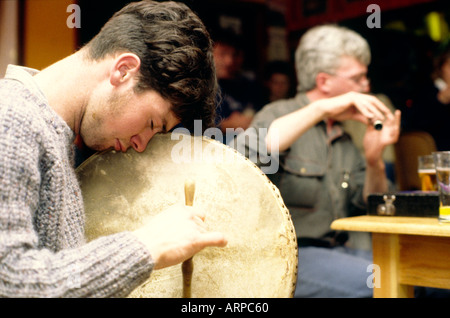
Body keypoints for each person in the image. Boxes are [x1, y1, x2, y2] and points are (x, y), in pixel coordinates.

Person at [0, 1, 227, 297]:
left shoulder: (54, 135)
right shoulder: (11, 119)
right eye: (152, 123)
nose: (141, 143)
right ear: (124, 70)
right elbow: (8, 279)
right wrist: (146, 247)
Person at [232, 24, 401, 297]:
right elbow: (241, 162)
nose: (366, 87)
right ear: (324, 82)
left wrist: (374, 160)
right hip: (292, 257)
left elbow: (378, 209)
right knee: (386, 283)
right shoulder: (278, 113)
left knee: (425, 276)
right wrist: (321, 108)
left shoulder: (343, 136)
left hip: (350, 250)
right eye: (358, 79)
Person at [212, 28, 263, 135]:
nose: (229, 61)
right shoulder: (199, 88)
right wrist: (225, 125)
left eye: (234, 55)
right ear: (210, 54)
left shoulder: (250, 86)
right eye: (223, 54)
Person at [404, 42, 450, 151]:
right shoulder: (427, 92)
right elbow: (415, 129)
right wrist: (440, 102)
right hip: (435, 155)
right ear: (440, 67)